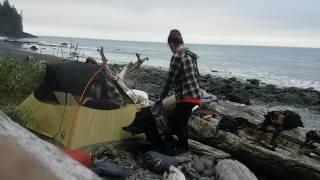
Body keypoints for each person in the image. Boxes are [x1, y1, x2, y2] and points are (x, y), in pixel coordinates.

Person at [160, 29, 202, 153]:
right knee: (181, 122)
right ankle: (182, 146)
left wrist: (161, 97)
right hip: (196, 95)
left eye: (170, 46)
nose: (170, 49)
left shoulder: (177, 56)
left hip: (186, 97)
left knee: (176, 123)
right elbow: (197, 75)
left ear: (172, 43)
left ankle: (182, 148)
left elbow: (169, 79)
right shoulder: (191, 54)